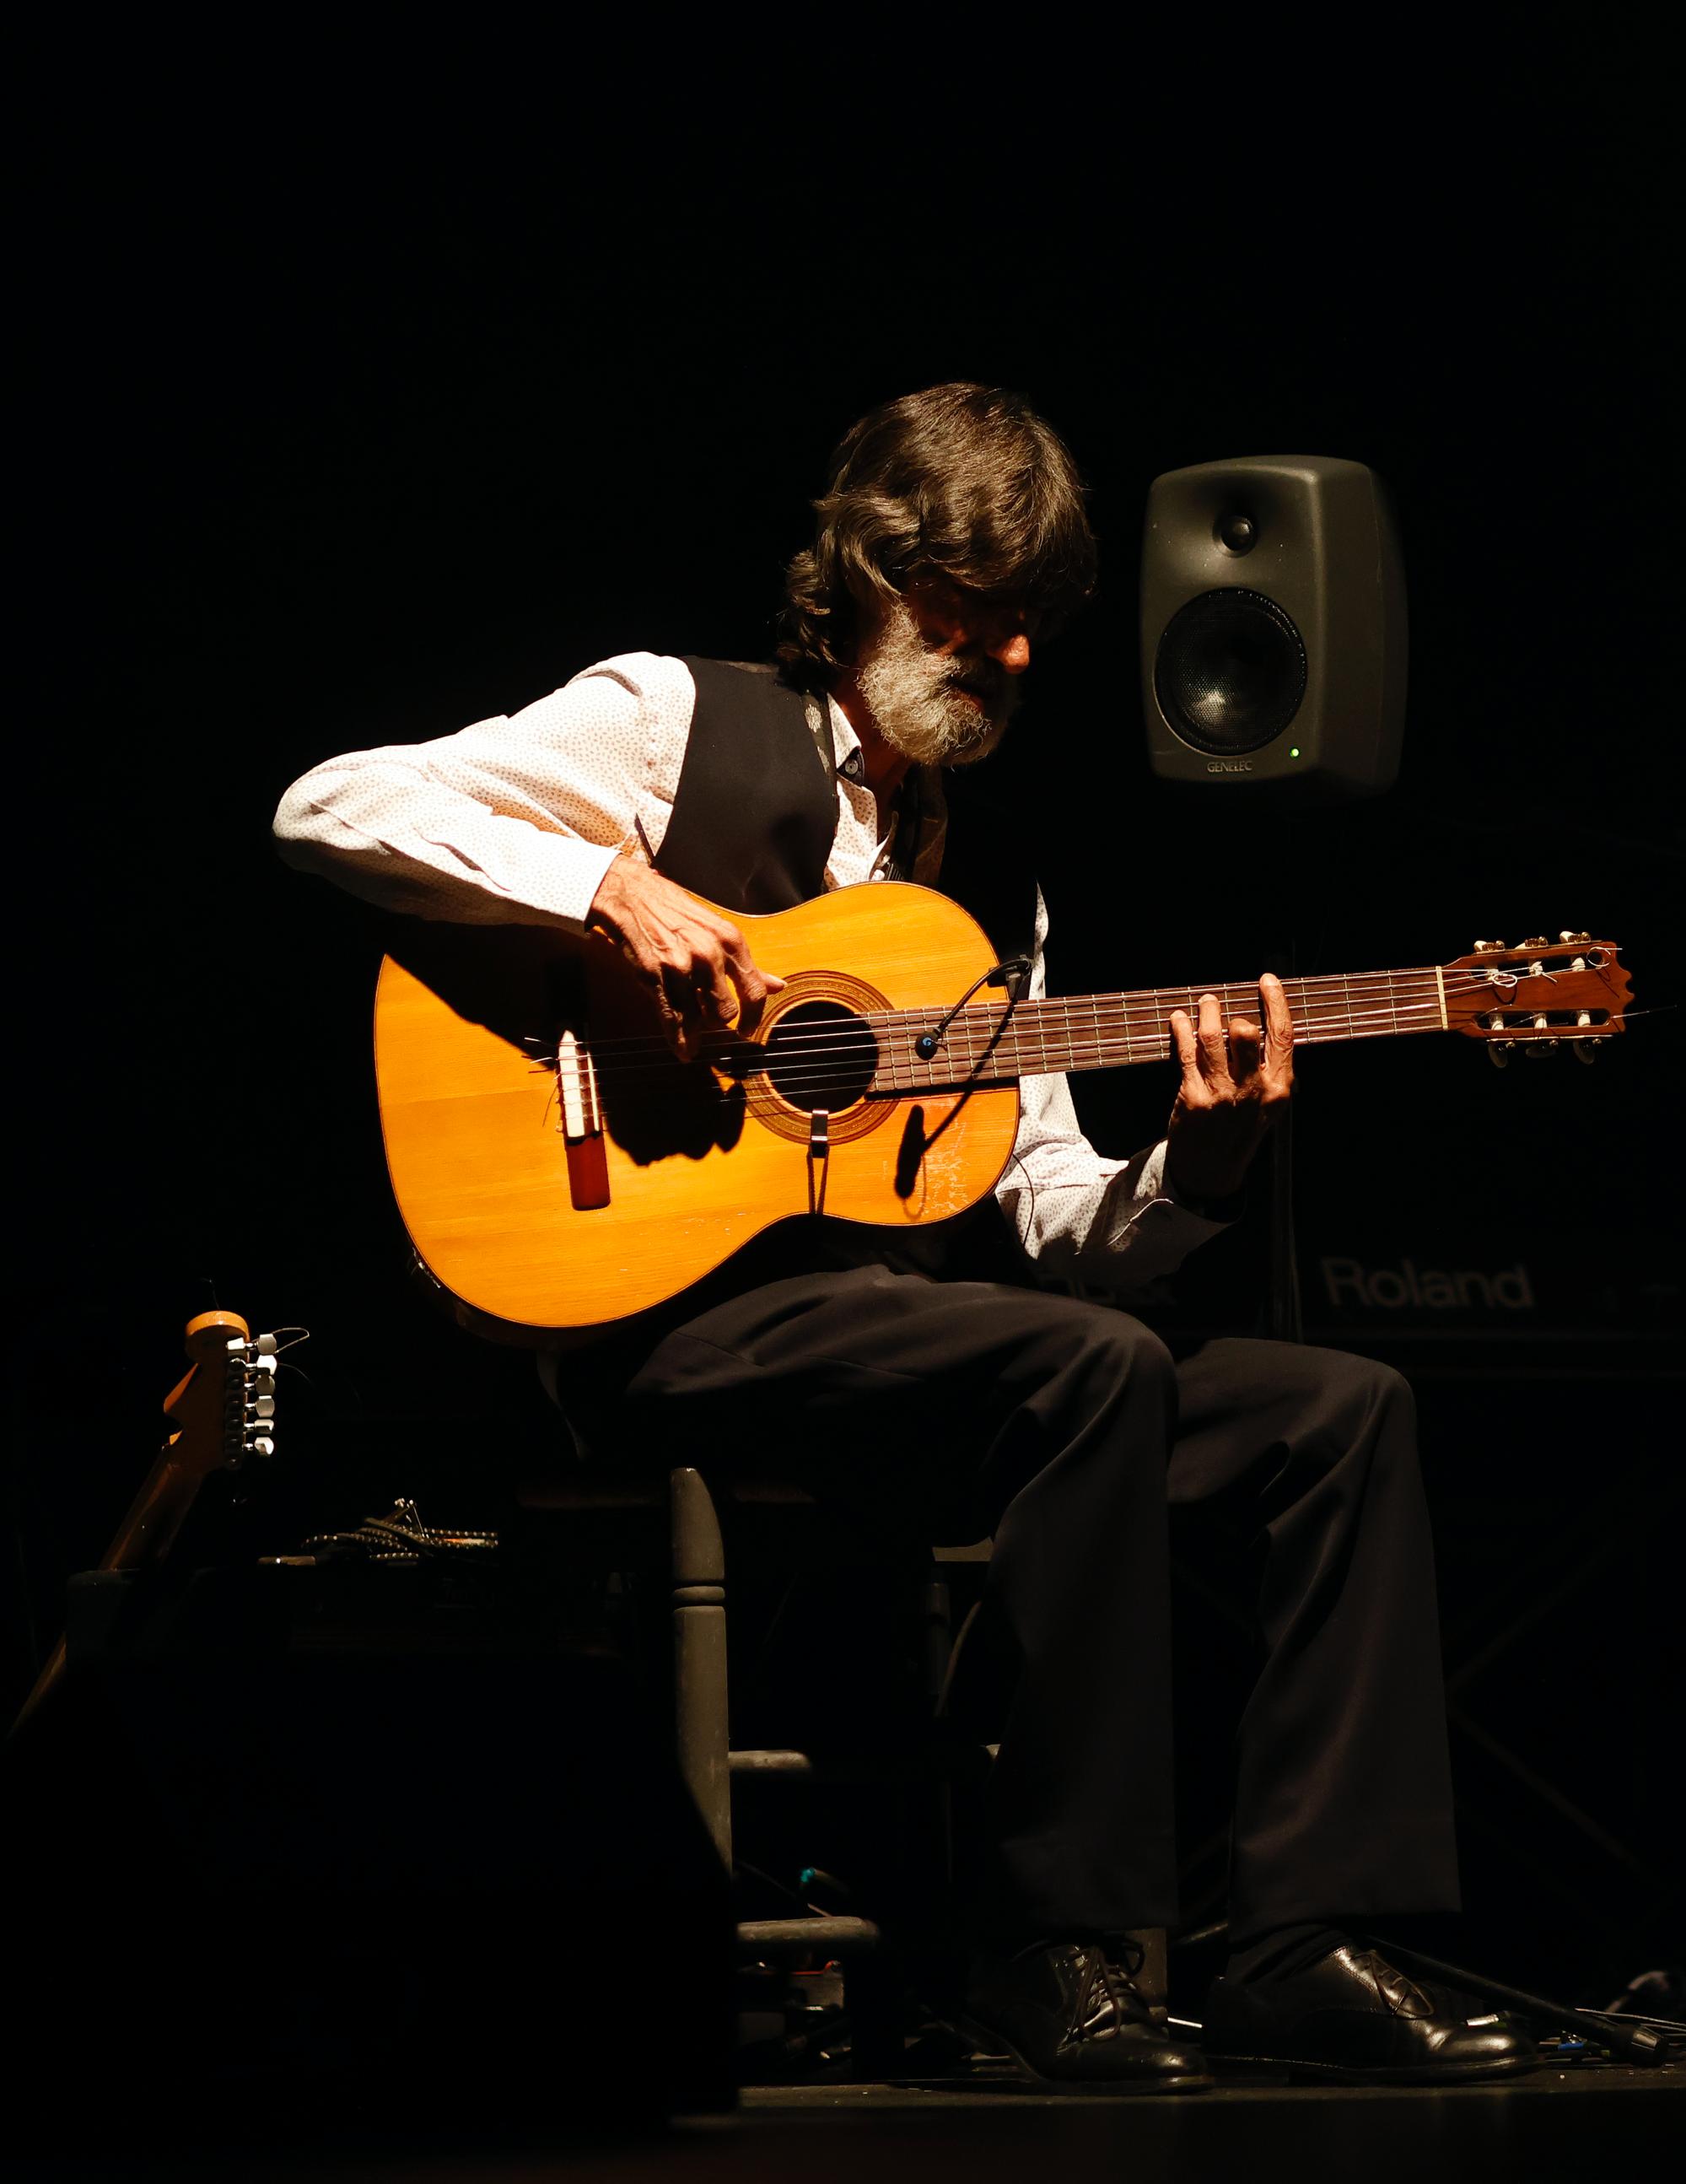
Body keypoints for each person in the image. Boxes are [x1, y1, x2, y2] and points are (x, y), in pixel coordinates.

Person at [272, 384, 1525, 2093]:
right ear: (862, 573)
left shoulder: (987, 897)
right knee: (1081, 1369)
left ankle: (1307, 1941)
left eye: (1031, 631)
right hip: (671, 1317)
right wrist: (606, 889)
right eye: (969, 615)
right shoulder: (666, 723)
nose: (1006, 661)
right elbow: (328, 804)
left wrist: (1205, 1162)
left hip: (921, 1361)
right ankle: (1046, 1941)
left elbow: (1060, 1222)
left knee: (1337, 1407)